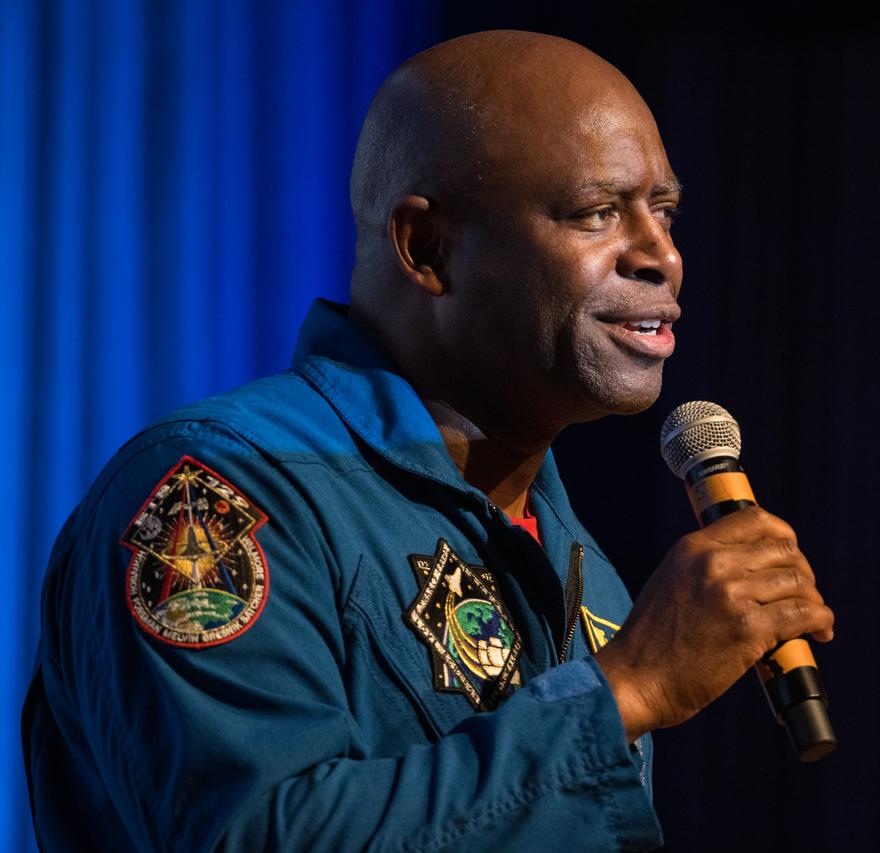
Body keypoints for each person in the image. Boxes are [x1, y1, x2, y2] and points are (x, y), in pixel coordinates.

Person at [22, 30, 834, 851]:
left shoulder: (582, 570)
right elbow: (259, 834)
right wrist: (627, 690)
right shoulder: (218, 492)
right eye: (597, 213)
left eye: (663, 213)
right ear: (427, 247)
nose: (663, 256)